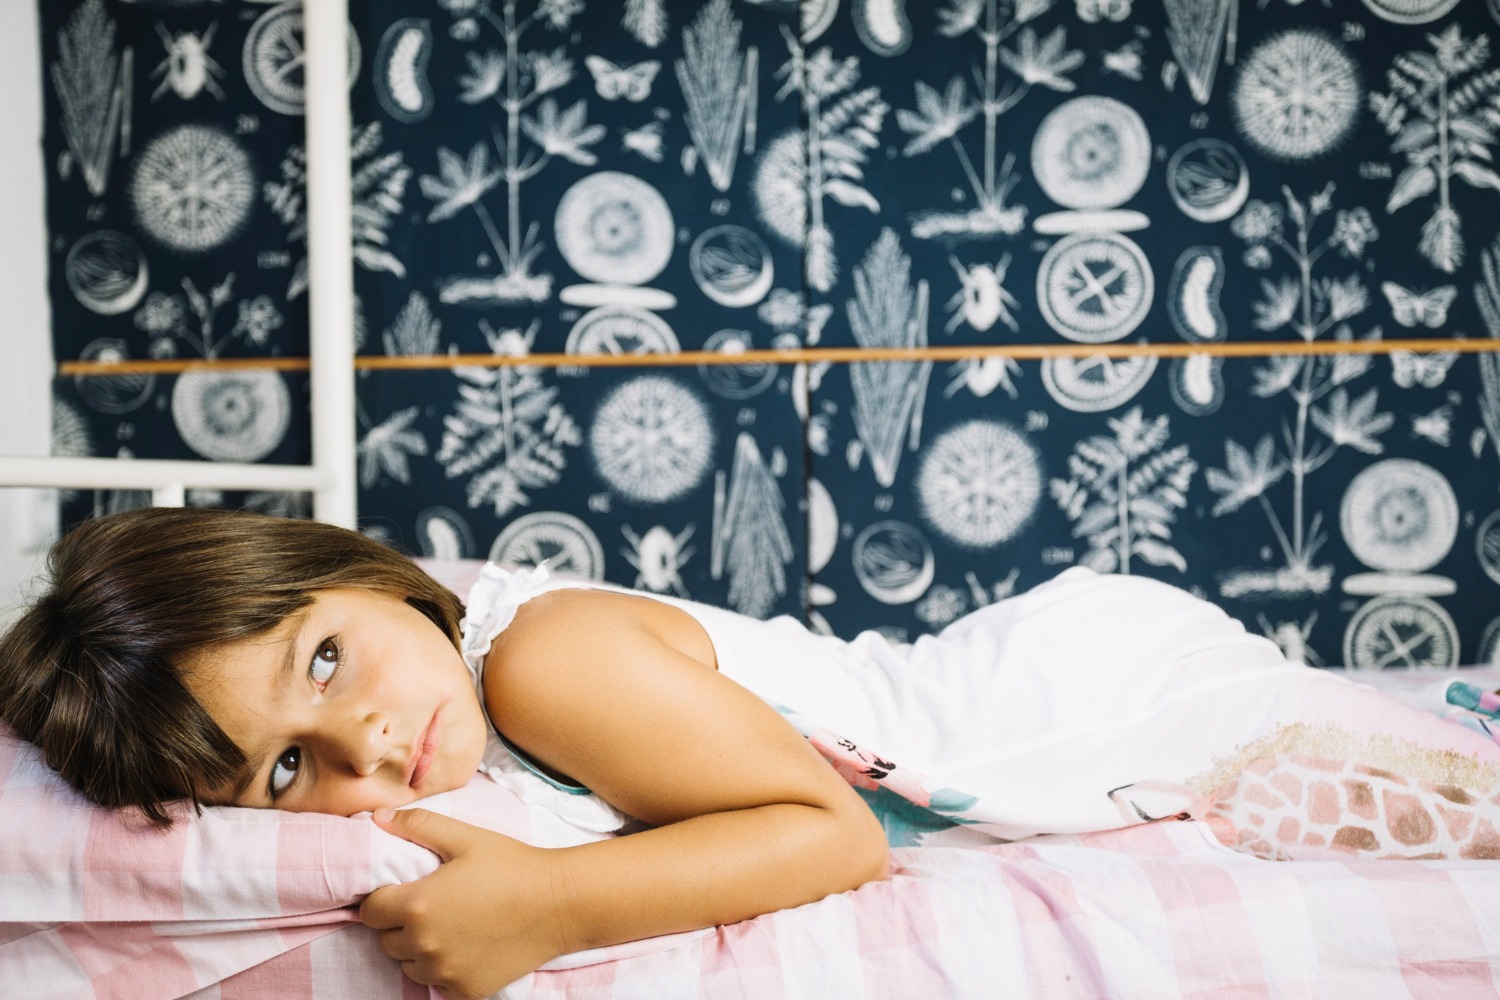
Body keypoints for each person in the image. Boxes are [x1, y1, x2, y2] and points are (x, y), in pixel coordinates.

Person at [5, 507, 1500, 996]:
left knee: (1430, 801)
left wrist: (546, 908)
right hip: (966, 741)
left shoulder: (542, 664)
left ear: (364, 570)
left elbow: (833, 838)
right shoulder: (451, 722)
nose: (370, 749)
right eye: (286, 774)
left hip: (1065, 702)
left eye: (325, 663)